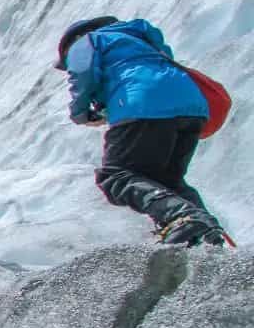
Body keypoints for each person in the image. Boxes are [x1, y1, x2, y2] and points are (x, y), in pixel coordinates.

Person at [55, 16, 225, 246]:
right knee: (168, 181)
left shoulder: (87, 41)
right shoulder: (140, 39)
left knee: (115, 176)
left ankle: (182, 219)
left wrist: (81, 113)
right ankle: (207, 234)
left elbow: (82, 74)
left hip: (143, 102)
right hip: (191, 105)